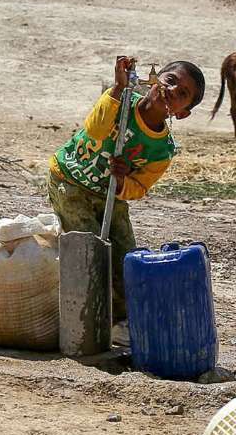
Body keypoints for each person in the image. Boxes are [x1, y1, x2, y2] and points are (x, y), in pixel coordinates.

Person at [48, 56, 205, 333]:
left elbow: (139, 187)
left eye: (182, 94)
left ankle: (120, 325)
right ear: (153, 80)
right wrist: (118, 89)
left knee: (125, 260)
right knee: (90, 253)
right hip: (71, 182)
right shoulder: (121, 103)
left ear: (182, 113)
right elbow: (94, 129)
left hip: (111, 196)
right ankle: (81, 326)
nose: (172, 91)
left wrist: (121, 181)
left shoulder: (162, 150)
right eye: (170, 81)